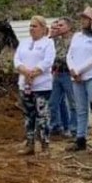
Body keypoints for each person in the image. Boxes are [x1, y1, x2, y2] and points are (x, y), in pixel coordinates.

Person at [66, 7, 92, 154]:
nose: (82, 21)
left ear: (91, 21)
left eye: (85, 18)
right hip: (77, 77)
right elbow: (69, 54)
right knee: (81, 109)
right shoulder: (77, 36)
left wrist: (78, 70)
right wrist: (72, 69)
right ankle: (80, 139)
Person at [14, 16, 56, 155]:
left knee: (42, 116)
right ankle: (30, 143)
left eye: (35, 26)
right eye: (30, 26)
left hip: (42, 85)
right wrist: (24, 72)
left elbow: (48, 61)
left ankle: (45, 146)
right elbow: (17, 60)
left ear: (43, 29)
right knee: (28, 115)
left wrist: (34, 73)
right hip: (24, 84)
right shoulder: (24, 42)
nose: (31, 28)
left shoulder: (48, 43)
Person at [48, 17, 76, 138]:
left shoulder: (74, 41)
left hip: (68, 73)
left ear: (69, 27)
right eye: (57, 25)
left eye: (61, 25)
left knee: (73, 103)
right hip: (57, 73)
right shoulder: (56, 40)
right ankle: (56, 126)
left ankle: (73, 129)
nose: (58, 27)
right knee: (53, 102)